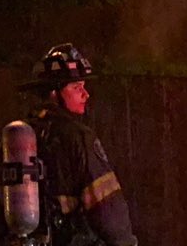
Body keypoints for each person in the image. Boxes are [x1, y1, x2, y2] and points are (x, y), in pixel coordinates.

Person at [29, 44, 137, 246]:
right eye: (77, 87)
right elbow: (109, 212)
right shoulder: (78, 138)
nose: (85, 95)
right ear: (54, 93)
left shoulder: (19, 137)